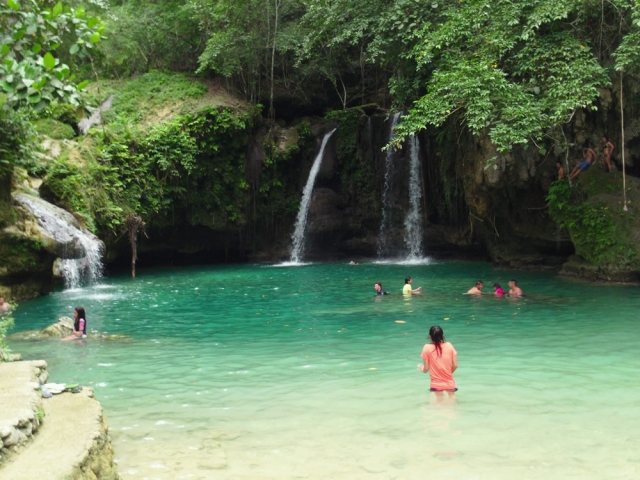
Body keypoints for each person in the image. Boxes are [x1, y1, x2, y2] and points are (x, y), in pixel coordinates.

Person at [417, 326, 458, 401]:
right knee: (453, 402)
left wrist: (422, 369)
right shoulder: (449, 345)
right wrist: (447, 374)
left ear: (430, 336)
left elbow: (426, 369)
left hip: (436, 384)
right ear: (443, 335)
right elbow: (455, 365)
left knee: (439, 404)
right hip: (449, 382)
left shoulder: (426, 347)